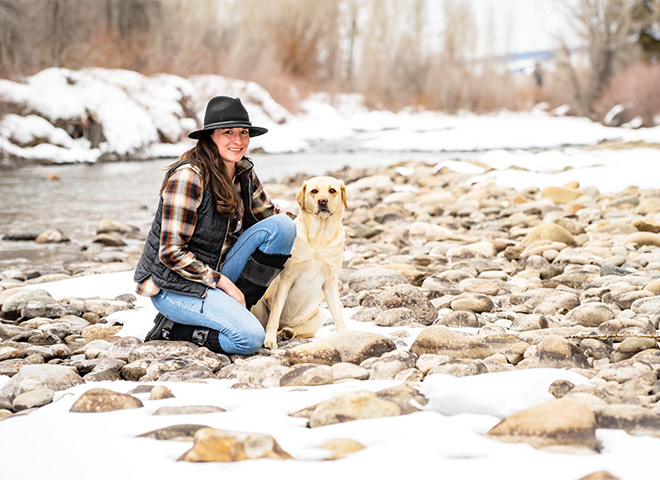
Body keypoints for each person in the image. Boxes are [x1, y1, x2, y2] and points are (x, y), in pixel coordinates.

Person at [134, 96, 296, 355]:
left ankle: (236, 309)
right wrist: (224, 283)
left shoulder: (242, 171)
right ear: (210, 136)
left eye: (243, 133)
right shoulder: (189, 176)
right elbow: (170, 253)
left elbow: (271, 216)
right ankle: (172, 330)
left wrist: (322, 229)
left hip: (216, 273)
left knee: (283, 227)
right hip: (174, 285)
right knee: (250, 339)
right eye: (228, 132)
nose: (238, 141)